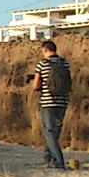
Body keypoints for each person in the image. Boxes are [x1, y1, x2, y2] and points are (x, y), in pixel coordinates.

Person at [28, 39, 73, 169]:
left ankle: (59, 160)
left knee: (48, 131)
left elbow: (35, 86)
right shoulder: (65, 63)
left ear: (45, 50)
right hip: (63, 101)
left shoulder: (42, 64)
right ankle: (48, 157)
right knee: (56, 131)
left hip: (48, 102)